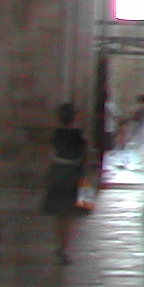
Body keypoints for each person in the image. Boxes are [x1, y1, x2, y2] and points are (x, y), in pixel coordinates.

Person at [42, 103, 90, 263]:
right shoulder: (79, 135)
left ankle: (59, 244)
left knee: (58, 214)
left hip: (57, 173)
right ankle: (64, 247)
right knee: (70, 215)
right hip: (73, 175)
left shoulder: (56, 134)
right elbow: (85, 156)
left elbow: (49, 155)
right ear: (74, 117)